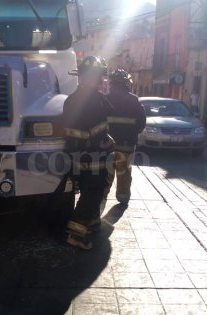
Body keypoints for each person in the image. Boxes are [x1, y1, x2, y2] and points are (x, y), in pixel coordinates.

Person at [62, 56, 114, 250]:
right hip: (94, 157)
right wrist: (106, 140)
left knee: (86, 189)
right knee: (93, 193)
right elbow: (99, 128)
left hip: (76, 156)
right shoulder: (97, 101)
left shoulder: (71, 99)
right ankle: (76, 235)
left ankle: (91, 223)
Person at [104, 69, 146, 206]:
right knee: (124, 173)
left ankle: (102, 195)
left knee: (107, 172)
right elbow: (141, 123)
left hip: (108, 146)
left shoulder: (105, 99)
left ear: (112, 83)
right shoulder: (133, 100)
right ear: (127, 83)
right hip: (127, 145)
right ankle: (123, 198)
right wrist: (133, 132)